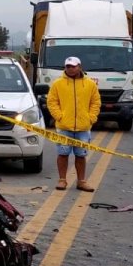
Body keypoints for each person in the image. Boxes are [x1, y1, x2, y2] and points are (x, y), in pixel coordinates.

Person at [46, 56, 101, 192]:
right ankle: (62, 180)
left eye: (73, 66)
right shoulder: (58, 84)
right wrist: (60, 117)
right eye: (68, 66)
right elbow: (52, 102)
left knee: (81, 155)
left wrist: (91, 118)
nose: (70, 69)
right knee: (63, 154)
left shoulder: (90, 84)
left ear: (79, 67)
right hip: (64, 127)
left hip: (83, 127)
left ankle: (81, 181)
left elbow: (95, 102)